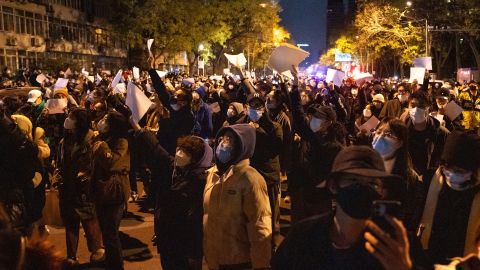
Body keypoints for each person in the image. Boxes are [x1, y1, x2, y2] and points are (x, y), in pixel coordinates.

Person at [272, 146, 431, 270]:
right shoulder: (304, 236)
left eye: (372, 183)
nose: (362, 189)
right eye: (353, 181)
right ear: (334, 186)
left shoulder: (399, 244)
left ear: (382, 191)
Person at [203, 124, 272, 270]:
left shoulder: (251, 178)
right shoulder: (213, 174)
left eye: (231, 140)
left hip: (238, 261)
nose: (223, 144)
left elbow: (259, 223)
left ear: (243, 146)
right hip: (214, 259)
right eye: (223, 138)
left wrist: (261, 264)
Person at [416, 131, 480, 264]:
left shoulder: (476, 193)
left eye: (458, 171)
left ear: (472, 172)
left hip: (461, 261)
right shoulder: (429, 180)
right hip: (426, 255)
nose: (450, 174)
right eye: (446, 168)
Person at [156, 136, 212, 270]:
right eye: (180, 149)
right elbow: (156, 151)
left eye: (186, 152)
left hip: (184, 246)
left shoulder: (199, 181)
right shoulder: (177, 173)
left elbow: (196, 221)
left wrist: (194, 253)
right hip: (169, 241)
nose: (179, 154)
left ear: (196, 158)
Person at [57, 108, 104, 266]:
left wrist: (85, 175)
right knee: (70, 224)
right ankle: (72, 256)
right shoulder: (65, 140)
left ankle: (97, 250)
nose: (68, 119)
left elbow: (96, 163)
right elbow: (60, 162)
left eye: (71, 117)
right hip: (68, 188)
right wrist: (58, 176)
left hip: (85, 189)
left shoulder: (92, 138)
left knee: (89, 220)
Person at [91, 111, 131, 270]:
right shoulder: (103, 138)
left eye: (106, 119)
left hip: (114, 191)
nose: (102, 121)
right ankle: (110, 259)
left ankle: (116, 264)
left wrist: (102, 146)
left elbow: (112, 163)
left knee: (111, 231)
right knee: (106, 229)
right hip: (102, 190)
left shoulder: (121, 141)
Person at [371, 117, 423, 232]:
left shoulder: (410, 178)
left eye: (388, 135)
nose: (380, 138)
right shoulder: (363, 168)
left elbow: (409, 215)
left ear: (400, 143)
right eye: (378, 132)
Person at [400, 91, 449, 176]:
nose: (416, 109)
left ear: (429, 108)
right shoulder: (400, 131)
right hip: (407, 179)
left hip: (430, 181)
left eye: (421, 106)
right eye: (413, 105)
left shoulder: (442, 134)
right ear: (408, 107)